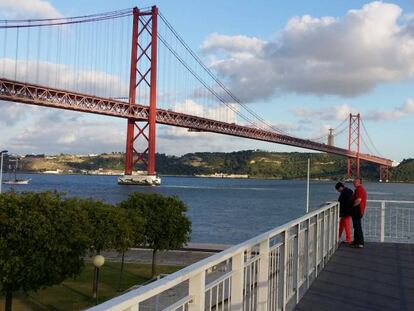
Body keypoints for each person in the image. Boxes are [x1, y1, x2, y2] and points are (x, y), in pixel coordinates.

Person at [351, 178, 367, 248]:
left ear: (358, 182)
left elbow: (358, 200)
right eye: (353, 181)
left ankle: (360, 243)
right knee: (356, 226)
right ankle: (356, 241)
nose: (353, 183)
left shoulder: (359, 189)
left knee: (357, 227)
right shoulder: (359, 189)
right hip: (358, 210)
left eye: (355, 182)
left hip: (358, 210)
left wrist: (352, 206)